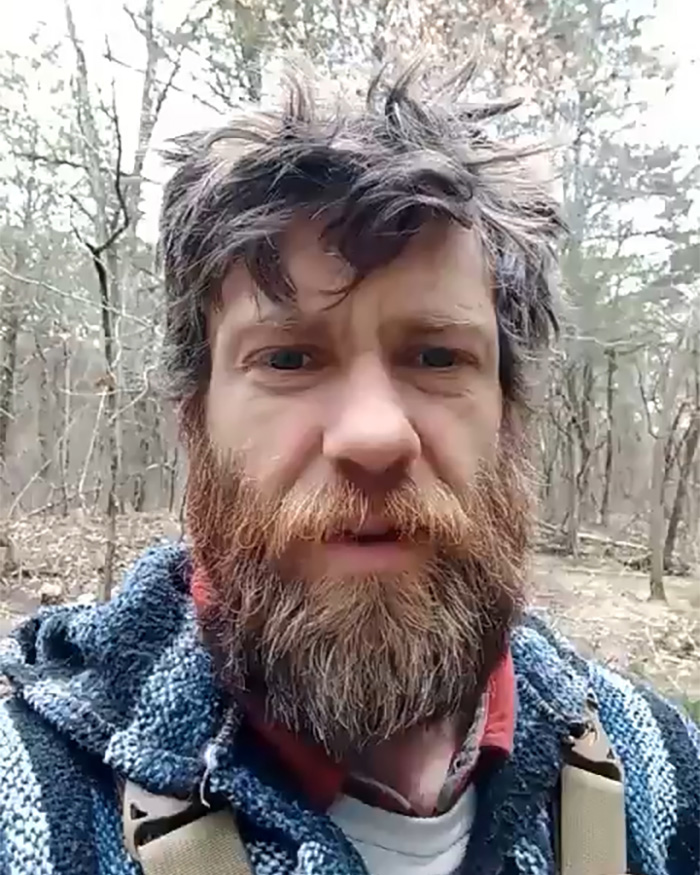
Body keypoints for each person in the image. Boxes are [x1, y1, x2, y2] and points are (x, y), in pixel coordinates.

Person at [0, 64, 697, 875]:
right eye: (289, 357)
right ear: (195, 418)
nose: (373, 435)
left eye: (437, 355)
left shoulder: (664, 773)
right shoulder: (36, 809)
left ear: (508, 416)